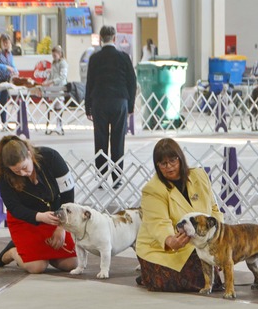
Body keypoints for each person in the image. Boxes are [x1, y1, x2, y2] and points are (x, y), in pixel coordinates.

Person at [136, 138, 224, 292]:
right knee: (202, 279)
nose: (169, 167)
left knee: (214, 274)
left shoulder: (200, 176)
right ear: (157, 166)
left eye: (172, 160)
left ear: (181, 158)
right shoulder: (153, 189)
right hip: (161, 249)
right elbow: (159, 223)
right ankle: (148, 274)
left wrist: (219, 240)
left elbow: (214, 210)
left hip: (198, 244)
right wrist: (170, 240)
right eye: (163, 164)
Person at [0, 135, 78, 274]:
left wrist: (61, 227)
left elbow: (68, 194)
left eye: (24, 167)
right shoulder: (4, 174)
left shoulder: (51, 157)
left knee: (72, 264)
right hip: (24, 219)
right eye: (16, 171)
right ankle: (12, 252)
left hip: (56, 216)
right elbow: (14, 208)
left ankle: (35, 251)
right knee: (37, 267)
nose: (22, 173)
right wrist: (39, 217)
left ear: (29, 154)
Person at [85, 25, 137, 189]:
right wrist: (130, 106)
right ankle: (117, 178)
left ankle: (101, 177)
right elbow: (132, 83)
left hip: (99, 102)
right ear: (114, 39)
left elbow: (89, 83)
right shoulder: (124, 57)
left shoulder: (94, 58)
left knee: (100, 140)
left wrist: (88, 107)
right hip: (119, 101)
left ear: (100, 39)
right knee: (118, 140)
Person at [0, 34, 18, 132]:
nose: (6, 44)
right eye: (4, 42)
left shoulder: (9, 53)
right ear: (0, 42)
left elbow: (12, 64)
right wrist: (6, 67)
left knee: (4, 102)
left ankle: (4, 123)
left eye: (8, 42)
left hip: (5, 79)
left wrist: (15, 70)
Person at [41, 45, 68, 135]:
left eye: (55, 55)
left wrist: (51, 81)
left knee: (59, 105)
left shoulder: (63, 63)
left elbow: (63, 76)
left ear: (60, 54)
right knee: (55, 106)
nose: (54, 57)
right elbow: (52, 74)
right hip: (53, 88)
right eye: (53, 56)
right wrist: (47, 81)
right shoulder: (53, 63)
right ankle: (55, 123)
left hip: (60, 87)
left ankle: (59, 123)